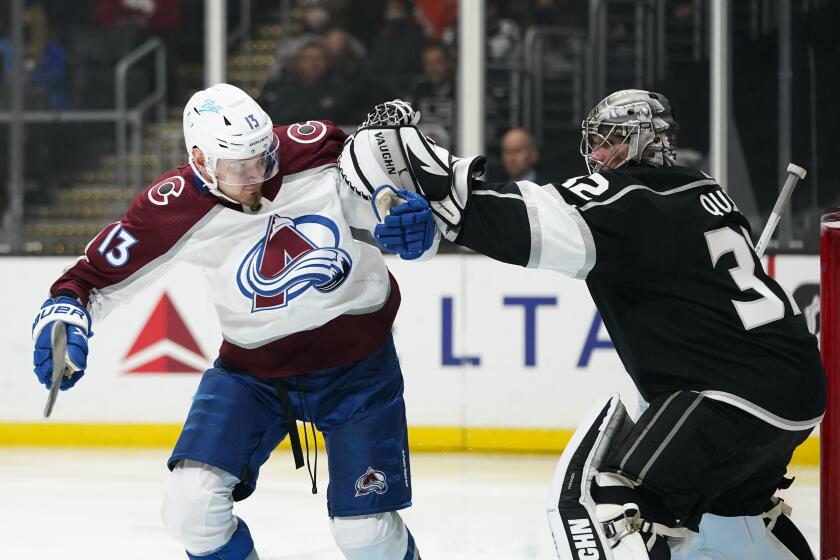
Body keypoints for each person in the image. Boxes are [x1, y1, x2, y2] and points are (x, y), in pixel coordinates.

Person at [338, 92, 823, 560]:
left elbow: (529, 221)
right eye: (594, 141)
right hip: (795, 390)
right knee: (729, 519)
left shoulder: (631, 197)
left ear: (646, 140)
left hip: (730, 394)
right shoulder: (703, 188)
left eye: (611, 139)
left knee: (604, 497)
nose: (597, 153)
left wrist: (446, 197)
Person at [30, 85, 431, 560]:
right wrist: (64, 319)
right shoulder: (171, 208)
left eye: (262, 159)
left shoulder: (314, 148)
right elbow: (88, 279)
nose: (257, 177)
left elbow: (388, 199)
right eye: (239, 168)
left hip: (359, 369)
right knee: (190, 508)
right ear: (200, 160)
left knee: (365, 535)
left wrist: (413, 222)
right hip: (253, 375)